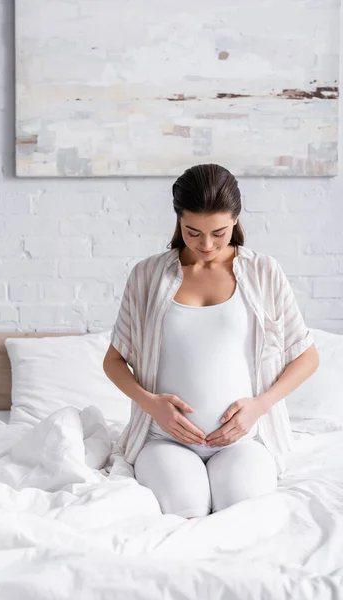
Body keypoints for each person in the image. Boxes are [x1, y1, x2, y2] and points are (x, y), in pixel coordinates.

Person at [103, 163, 319, 519]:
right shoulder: (147, 275)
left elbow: (307, 357)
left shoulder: (264, 272)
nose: (206, 244)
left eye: (218, 233)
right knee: (186, 513)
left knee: (240, 514)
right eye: (193, 232)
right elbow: (113, 361)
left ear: (235, 219)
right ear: (178, 222)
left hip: (243, 441)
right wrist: (151, 404)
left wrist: (259, 406)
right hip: (164, 441)